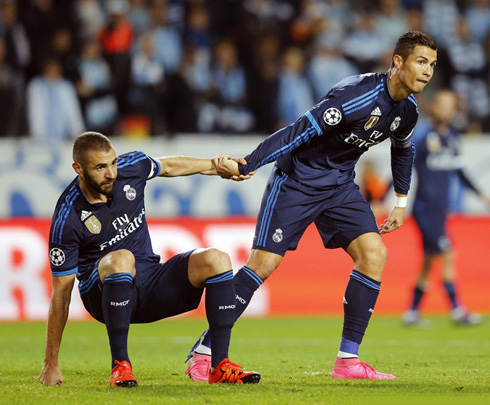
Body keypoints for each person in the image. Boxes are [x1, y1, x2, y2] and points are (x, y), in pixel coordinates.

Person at [185, 31, 438, 381]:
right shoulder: (355, 97)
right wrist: (248, 164)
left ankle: (348, 362)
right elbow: (295, 132)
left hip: (339, 186)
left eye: (432, 65)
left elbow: (403, 149)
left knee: (374, 255)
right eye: (421, 62)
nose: (427, 71)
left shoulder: (407, 110)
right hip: (298, 180)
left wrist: (400, 201)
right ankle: (204, 352)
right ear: (398, 62)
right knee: (263, 265)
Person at [38, 132, 260, 387]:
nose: (111, 173)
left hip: (149, 279)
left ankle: (219, 366)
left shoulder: (130, 168)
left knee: (216, 258)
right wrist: (51, 363)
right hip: (102, 295)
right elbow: (61, 294)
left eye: (112, 163)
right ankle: (120, 367)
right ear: (78, 168)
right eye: (100, 167)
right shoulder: (68, 216)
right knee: (122, 259)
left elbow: (168, 165)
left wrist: (215, 165)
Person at [402, 90, 489, 327]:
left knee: (428, 260)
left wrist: (482, 195)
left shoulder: (451, 138)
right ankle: (457, 310)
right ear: (434, 107)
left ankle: (411, 312)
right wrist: (388, 193)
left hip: (440, 211)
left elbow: (460, 171)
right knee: (448, 253)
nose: (448, 110)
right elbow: (404, 165)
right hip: (423, 209)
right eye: (444, 105)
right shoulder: (423, 137)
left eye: (452, 105)